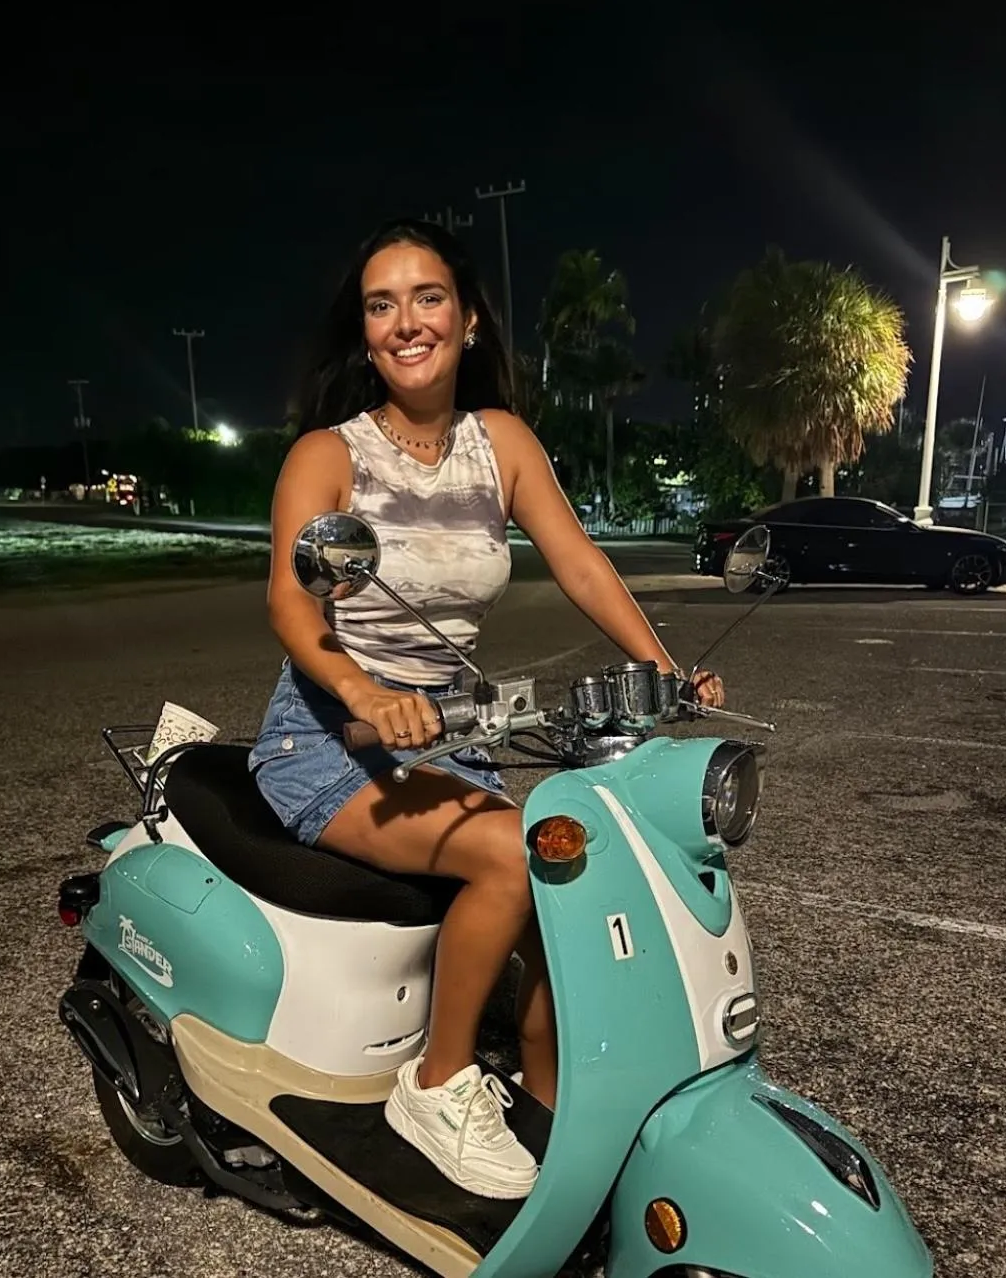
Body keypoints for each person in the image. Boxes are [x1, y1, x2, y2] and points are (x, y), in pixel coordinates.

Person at [249, 218, 724, 1201]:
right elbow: (294, 604)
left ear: (467, 319)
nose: (406, 321)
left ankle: (558, 1120)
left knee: (569, 881)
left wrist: (664, 667)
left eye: (428, 298)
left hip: (448, 735)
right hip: (333, 735)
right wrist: (367, 690)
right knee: (514, 851)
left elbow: (582, 562)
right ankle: (433, 1085)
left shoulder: (499, 443)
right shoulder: (326, 456)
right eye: (382, 305)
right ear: (366, 332)